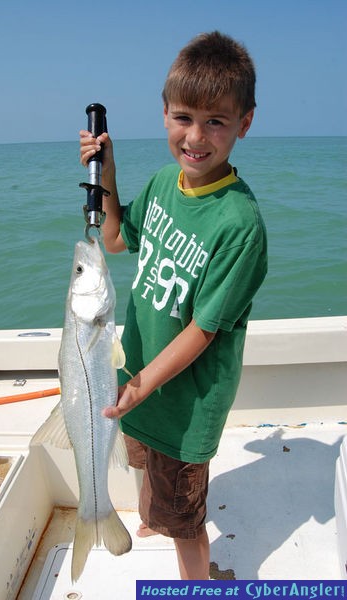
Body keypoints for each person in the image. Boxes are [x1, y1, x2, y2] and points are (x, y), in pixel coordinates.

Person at [80, 31, 267, 580]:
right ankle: (151, 515)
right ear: (164, 114)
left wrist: (138, 387)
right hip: (137, 380)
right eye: (184, 117)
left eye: (217, 121)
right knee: (142, 465)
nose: (197, 137)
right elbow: (114, 240)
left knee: (186, 524)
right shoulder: (165, 183)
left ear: (244, 124)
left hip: (184, 404)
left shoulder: (239, 225)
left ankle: (199, 582)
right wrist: (106, 178)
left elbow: (203, 332)